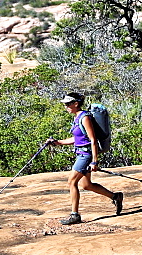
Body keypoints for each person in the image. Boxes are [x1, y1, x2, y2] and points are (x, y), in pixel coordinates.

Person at [44, 92, 124, 225]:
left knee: (71, 182)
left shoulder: (85, 117)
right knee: (87, 185)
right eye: (65, 104)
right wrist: (58, 142)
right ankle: (116, 197)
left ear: (76, 104)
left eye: (68, 104)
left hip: (85, 156)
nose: (66, 106)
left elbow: (93, 140)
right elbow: (77, 139)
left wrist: (94, 161)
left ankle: (75, 215)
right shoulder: (77, 117)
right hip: (81, 153)